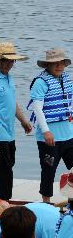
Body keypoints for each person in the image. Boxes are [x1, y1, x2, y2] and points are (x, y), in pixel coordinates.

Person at [0, 41, 33, 208]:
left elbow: (11, 102)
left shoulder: (9, 77)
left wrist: (23, 120)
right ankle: (4, 202)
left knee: (7, 166)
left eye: (12, 61)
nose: (11, 64)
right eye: (8, 61)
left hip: (9, 133)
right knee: (5, 170)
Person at [28, 48, 73, 203]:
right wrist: (46, 131)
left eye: (62, 63)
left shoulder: (66, 78)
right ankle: (46, 202)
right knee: (49, 171)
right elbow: (37, 108)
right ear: (47, 64)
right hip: (49, 138)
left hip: (69, 135)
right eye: (55, 63)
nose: (59, 66)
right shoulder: (40, 82)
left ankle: (71, 198)